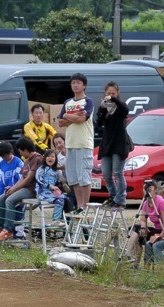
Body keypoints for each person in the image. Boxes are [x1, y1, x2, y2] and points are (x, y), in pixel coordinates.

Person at [57, 73, 95, 212]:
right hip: (70, 144)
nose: (75, 85)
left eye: (78, 82)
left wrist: (68, 116)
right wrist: (70, 116)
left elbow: (82, 119)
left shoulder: (88, 101)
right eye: (73, 82)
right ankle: (79, 206)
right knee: (73, 178)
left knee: (84, 177)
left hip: (84, 143)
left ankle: (85, 206)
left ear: (84, 85)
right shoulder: (68, 103)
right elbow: (60, 122)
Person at [0, 137, 39, 241]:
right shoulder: (27, 161)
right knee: (2, 198)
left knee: (10, 200)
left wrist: (14, 189)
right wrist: (12, 189)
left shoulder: (37, 158)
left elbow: (28, 178)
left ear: (25, 149)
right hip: (23, 188)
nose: (20, 152)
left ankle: (8, 229)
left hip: (31, 190)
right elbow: (22, 178)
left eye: (20, 150)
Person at [95, 81, 130, 210]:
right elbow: (98, 123)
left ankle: (121, 199)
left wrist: (114, 99)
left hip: (119, 144)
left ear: (117, 93)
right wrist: (102, 108)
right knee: (106, 174)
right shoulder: (105, 107)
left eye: (113, 93)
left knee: (118, 172)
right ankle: (113, 196)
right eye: (108, 93)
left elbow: (126, 110)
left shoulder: (121, 106)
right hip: (107, 144)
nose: (110, 95)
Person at [125, 180, 164, 262]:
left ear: (155, 190)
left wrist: (161, 235)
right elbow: (142, 220)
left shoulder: (161, 202)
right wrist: (143, 227)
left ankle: (129, 253)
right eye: (145, 189)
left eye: (149, 189)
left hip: (163, 231)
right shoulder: (146, 203)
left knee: (137, 230)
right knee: (135, 230)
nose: (147, 191)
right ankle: (134, 262)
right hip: (155, 230)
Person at [35, 149, 68, 224]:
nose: (50, 158)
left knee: (65, 198)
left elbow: (59, 181)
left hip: (51, 193)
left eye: (53, 156)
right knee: (60, 200)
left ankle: (60, 219)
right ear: (45, 158)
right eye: (48, 156)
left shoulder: (56, 171)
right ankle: (56, 220)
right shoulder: (41, 169)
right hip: (42, 193)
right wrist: (49, 186)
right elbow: (38, 179)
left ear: (56, 159)